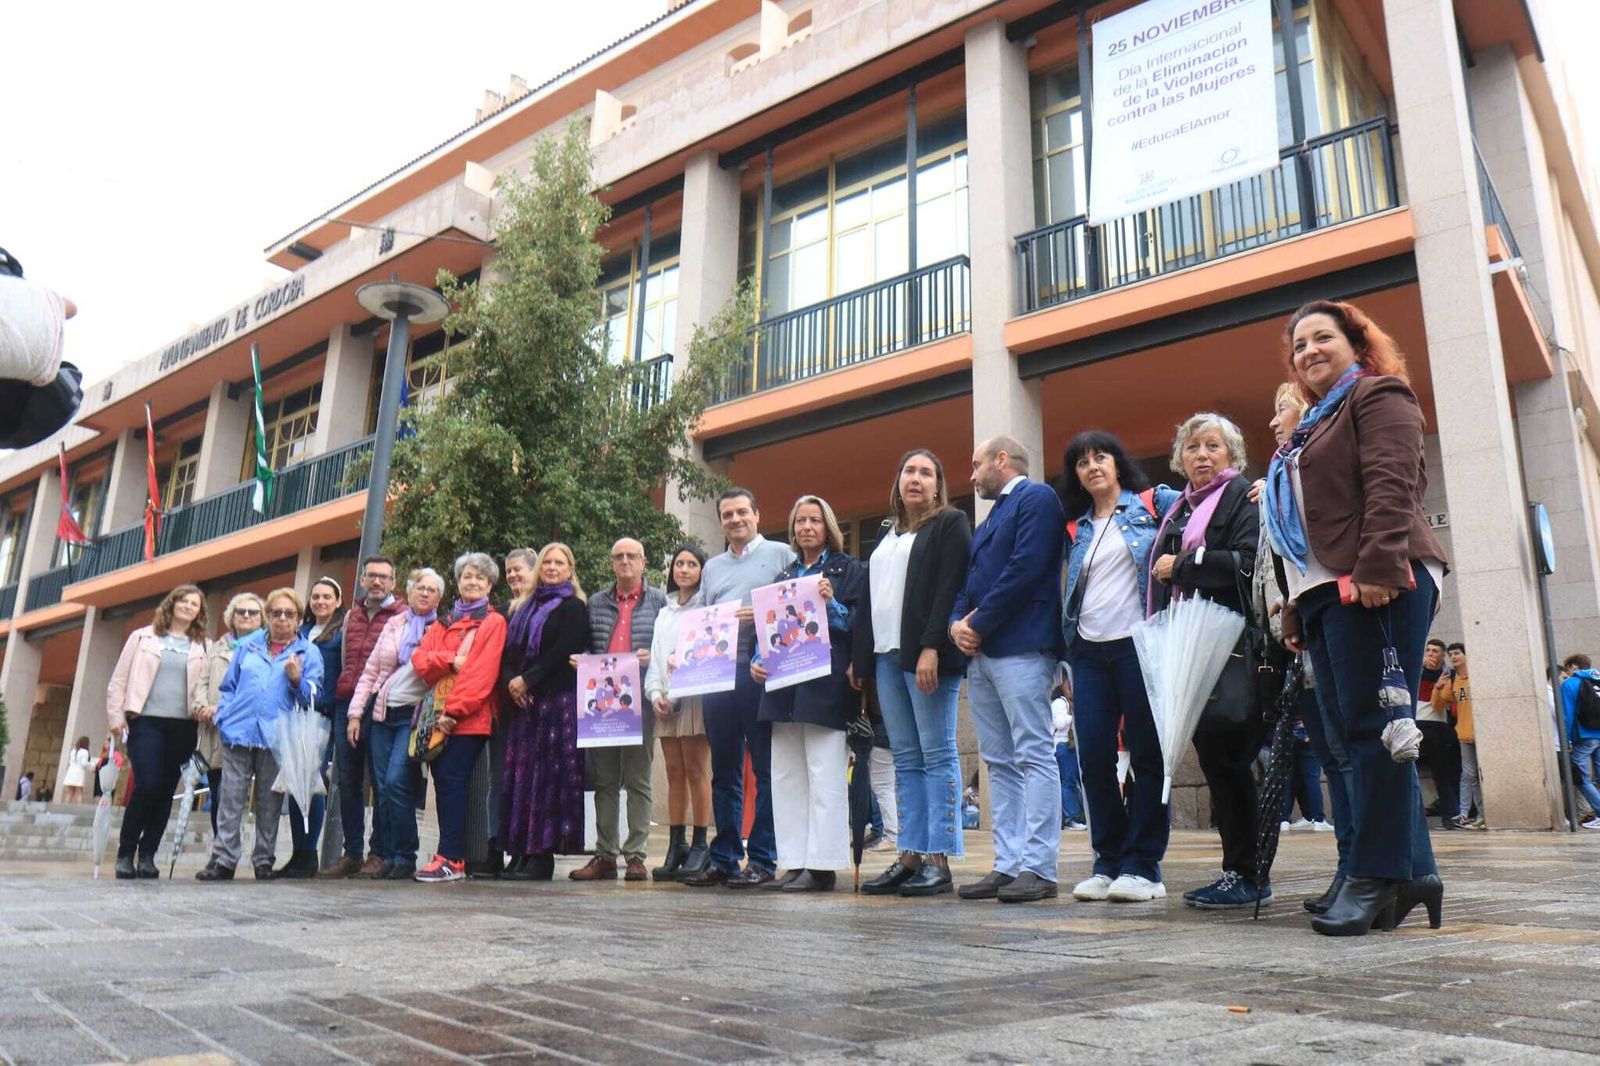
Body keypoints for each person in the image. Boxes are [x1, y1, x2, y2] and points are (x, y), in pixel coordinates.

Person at [1272, 298, 1449, 936]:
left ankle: (1376, 874)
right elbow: (1298, 526)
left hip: (1379, 577)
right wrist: (1295, 603)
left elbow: (1392, 480)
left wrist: (1378, 565)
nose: (1309, 351)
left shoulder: (1377, 395)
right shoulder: (1313, 422)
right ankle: (1412, 871)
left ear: (1355, 342)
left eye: (1323, 338)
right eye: (1299, 346)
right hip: (1326, 592)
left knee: (1372, 729)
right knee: (1356, 734)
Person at [1146, 413, 1263, 910]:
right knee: (1216, 763)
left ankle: (1248, 873)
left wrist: (1186, 565)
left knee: (1233, 762)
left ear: (1231, 455)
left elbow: (1247, 560)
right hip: (1189, 646)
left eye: (1213, 446)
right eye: (1192, 447)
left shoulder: (1241, 497)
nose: (1202, 455)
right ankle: (1235, 870)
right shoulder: (1179, 511)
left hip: (1229, 644)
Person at [1058, 431, 1176, 904]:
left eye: (1099, 457)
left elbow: (1203, 501)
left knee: (1148, 756)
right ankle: (1107, 861)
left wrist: (1250, 488)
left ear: (1117, 462)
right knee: (1093, 759)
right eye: (1082, 462)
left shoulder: (1151, 503)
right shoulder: (1075, 527)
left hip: (1139, 645)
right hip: (1087, 651)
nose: (1092, 467)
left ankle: (1143, 865)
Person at [949, 435, 1066, 903]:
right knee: (997, 761)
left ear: (1002, 460)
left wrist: (977, 621)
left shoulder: (1037, 498)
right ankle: (1008, 863)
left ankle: (1039, 866)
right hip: (983, 655)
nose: (972, 475)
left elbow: (1026, 567)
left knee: (1034, 754)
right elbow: (970, 581)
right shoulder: (993, 514)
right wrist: (955, 624)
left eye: (976, 465)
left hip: (1020, 646)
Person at [853, 448, 972, 898]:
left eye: (926, 472)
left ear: (939, 484)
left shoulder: (950, 523)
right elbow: (871, 599)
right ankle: (910, 855)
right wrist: (860, 661)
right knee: (905, 757)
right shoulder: (887, 535)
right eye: (909, 471)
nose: (916, 479)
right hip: (886, 657)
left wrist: (931, 647)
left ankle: (938, 859)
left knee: (937, 752)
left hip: (924, 654)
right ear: (898, 482)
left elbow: (949, 588)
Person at [1255, 383, 1353, 913]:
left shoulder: (1308, 467)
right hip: (1301, 623)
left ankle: (1366, 868)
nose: (1274, 423)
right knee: (1334, 754)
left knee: (1348, 751)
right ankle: (1349, 866)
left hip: (1331, 611)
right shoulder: (1277, 475)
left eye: (1281, 410)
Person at [750, 495, 863, 893]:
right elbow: (766, 631)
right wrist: (755, 661)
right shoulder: (783, 576)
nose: (807, 527)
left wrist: (831, 603)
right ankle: (794, 861)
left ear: (828, 525)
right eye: (800, 521)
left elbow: (856, 624)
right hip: (782, 687)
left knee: (825, 774)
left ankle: (823, 865)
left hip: (826, 684)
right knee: (785, 777)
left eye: (815, 520)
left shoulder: (847, 569)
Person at [683, 488, 794, 889]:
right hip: (716, 673)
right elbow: (700, 617)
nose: (735, 519)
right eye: (727, 514)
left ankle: (763, 859)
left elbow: (793, 606)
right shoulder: (711, 567)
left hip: (760, 669)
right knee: (723, 769)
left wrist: (759, 615)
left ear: (757, 515)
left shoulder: (782, 554)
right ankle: (725, 857)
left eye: (742, 512)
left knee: (764, 768)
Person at [197, 588, 322, 882]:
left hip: (277, 734)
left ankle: (263, 860)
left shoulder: (308, 652)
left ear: (298, 619)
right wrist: (225, 716)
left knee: (269, 801)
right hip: (238, 730)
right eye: (276, 613)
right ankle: (224, 860)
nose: (281, 619)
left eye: (289, 614)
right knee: (230, 798)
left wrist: (296, 679)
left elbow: (315, 696)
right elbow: (229, 686)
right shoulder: (248, 645)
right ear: (267, 617)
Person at [570, 537, 667, 882]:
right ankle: (605, 855)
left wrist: (651, 657)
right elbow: (584, 642)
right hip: (600, 702)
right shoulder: (596, 602)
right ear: (611, 563)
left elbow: (669, 645)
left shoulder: (659, 601)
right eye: (619, 556)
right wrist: (579, 658)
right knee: (605, 779)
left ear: (644, 562)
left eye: (632, 556)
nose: (625, 561)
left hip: (639, 696)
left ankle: (637, 856)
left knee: (639, 778)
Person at [410, 553, 507, 883]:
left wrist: (453, 712)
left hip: (469, 718)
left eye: (481, 578)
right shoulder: (444, 622)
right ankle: (449, 854)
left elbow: (481, 672)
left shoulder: (493, 623)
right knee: (446, 782)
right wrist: (452, 660)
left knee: (452, 780)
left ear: (490, 585)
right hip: (437, 716)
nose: (473, 582)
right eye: (468, 576)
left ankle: (451, 857)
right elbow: (421, 660)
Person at [105, 584, 208, 879]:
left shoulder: (202, 645)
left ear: (199, 611)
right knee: (147, 784)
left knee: (165, 791)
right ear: (172, 604)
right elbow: (118, 681)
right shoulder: (142, 637)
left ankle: (148, 855)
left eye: (195, 603)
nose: (189, 607)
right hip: (146, 720)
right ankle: (126, 852)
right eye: (184, 601)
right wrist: (116, 717)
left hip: (183, 725)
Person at [500, 543, 590, 881]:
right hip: (523, 706)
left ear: (570, 569)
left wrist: (527, 680)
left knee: (546, 780)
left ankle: (542, 855)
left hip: (555, 702)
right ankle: (520, 851)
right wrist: (513, 682)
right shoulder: (521, 607)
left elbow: (562, 651)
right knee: (521, 778)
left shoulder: (574, 607)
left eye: (559, 563)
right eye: (547, 562)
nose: (552, 567)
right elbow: (509, 652)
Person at [348, 568, 444, 880]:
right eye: (420, 588)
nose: (425, 593)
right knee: (382, 788)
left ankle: (405, 854)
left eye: (432, 589)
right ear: (410, 591)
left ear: (439, 597)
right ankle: (387, 855)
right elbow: (371, 671)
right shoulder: (395, 623)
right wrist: (354, 713)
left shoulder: (442, 629)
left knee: (395, 782)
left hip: (414, 718)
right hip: (382, 713)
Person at [329, 555, 403, 878]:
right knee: (347, 782)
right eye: (371, 576)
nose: (377, 582)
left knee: (381, 780)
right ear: (362, 580)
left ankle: (379, 851)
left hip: (380, 705)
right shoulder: (350, 616)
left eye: (384, 577)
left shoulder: (401, 616)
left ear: (393, 583)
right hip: (347, 703)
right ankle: (353, 852)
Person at [644, 545, 714, 881]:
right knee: (673, 772)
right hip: (666, 702)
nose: (684, 569)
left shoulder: (707, 608)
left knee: (697, 769)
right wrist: (656, 693)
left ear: (702, 569)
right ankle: (676, 844)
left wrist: (679, 688)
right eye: (679, 564)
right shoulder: (665, 612)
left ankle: (701, 843)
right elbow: (657, 656)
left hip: (694, 697)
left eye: (692, 564)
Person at [466, 548, 537, 879]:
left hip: (534, 706)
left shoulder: (542, 608)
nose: (513, 576)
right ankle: (495, 846)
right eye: (509, 571)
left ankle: (524, 849)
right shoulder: (501, 613)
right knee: (498, 780)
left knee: (526, 781)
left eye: (518, 570)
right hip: (502, 705)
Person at [276, 576, 345, 878]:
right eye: (315, 596)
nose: (320, 601)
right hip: (295, 712)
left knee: (314, 784)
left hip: (324, 713)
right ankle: (297, 852)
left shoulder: (340, 634)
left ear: (338, 601)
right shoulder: (300, 633)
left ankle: (309, 852)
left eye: (327, 596)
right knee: (295, 784)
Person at [194, 593, 264, 836]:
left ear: (261, 619)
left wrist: (221, 708)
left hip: (240, 731)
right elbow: (203, 681)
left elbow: (252, 688)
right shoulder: (218, 646)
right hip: (213, 731)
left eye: (253, 612)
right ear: (231, 616)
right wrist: (201, 706)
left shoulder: (262, 647)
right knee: (217, 791)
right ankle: (219, 850)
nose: (246, 615)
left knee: (231, 795)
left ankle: (227, 851)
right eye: (240, 611)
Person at [1431, 643, 1482, 829]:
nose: (1453, 657)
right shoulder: (1453, 679)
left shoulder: (1477, 676)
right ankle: (1464, 814)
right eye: (1451, 654)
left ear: (1467, 655)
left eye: (1457, 653)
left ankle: (1476, 814)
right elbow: (1438, 704)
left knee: (1474, 775)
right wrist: (1437, 688)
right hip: (1464, 733)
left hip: (1482, 733)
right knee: (1469, 775)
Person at [1416, 638, 1462, 829]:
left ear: (1443, 655)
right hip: (1416, 724)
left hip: (1438, 726)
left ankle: (1450, 814)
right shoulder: (1415, 671)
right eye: (1428, 650)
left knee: (1443, 772)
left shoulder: (1448, 675)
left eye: (1435, 651)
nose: (1431, 654)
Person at [1559, 654, 1600, 829]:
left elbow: (1566, 715)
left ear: (1573, 666)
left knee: (1581, 778)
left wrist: (1565, 738)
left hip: (1584, 736)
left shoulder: (1570, 684)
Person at [62, 736, 91, 804]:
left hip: (71, 771)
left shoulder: (73, 751)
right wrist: (91, 765)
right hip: (78, 772)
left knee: (70, 792)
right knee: (79, 792)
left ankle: (65, 805)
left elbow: (70, 761)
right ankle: (79, 806)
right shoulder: (85, 752)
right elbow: (84, 763)